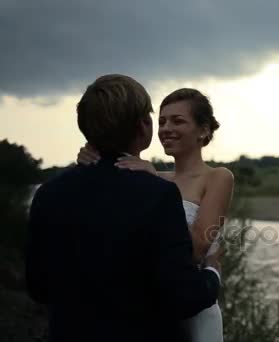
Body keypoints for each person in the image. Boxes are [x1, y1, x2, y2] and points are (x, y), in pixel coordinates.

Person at [26, 75, 222, 342]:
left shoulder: (48, 194)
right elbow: (183, 296)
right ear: (143, 126)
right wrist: (213, 275)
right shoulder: (158, 195)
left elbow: (38, 287)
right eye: (158, 118)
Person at [77, 88, 234, 342]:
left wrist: (152, 181)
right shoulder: (152, 177)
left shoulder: (218, 177)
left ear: (203, 130)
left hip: (195, 310)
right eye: (162, 121)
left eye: (177, 121)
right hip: (151, 304)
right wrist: (91, 157)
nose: (165, 128)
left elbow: (196, 249)